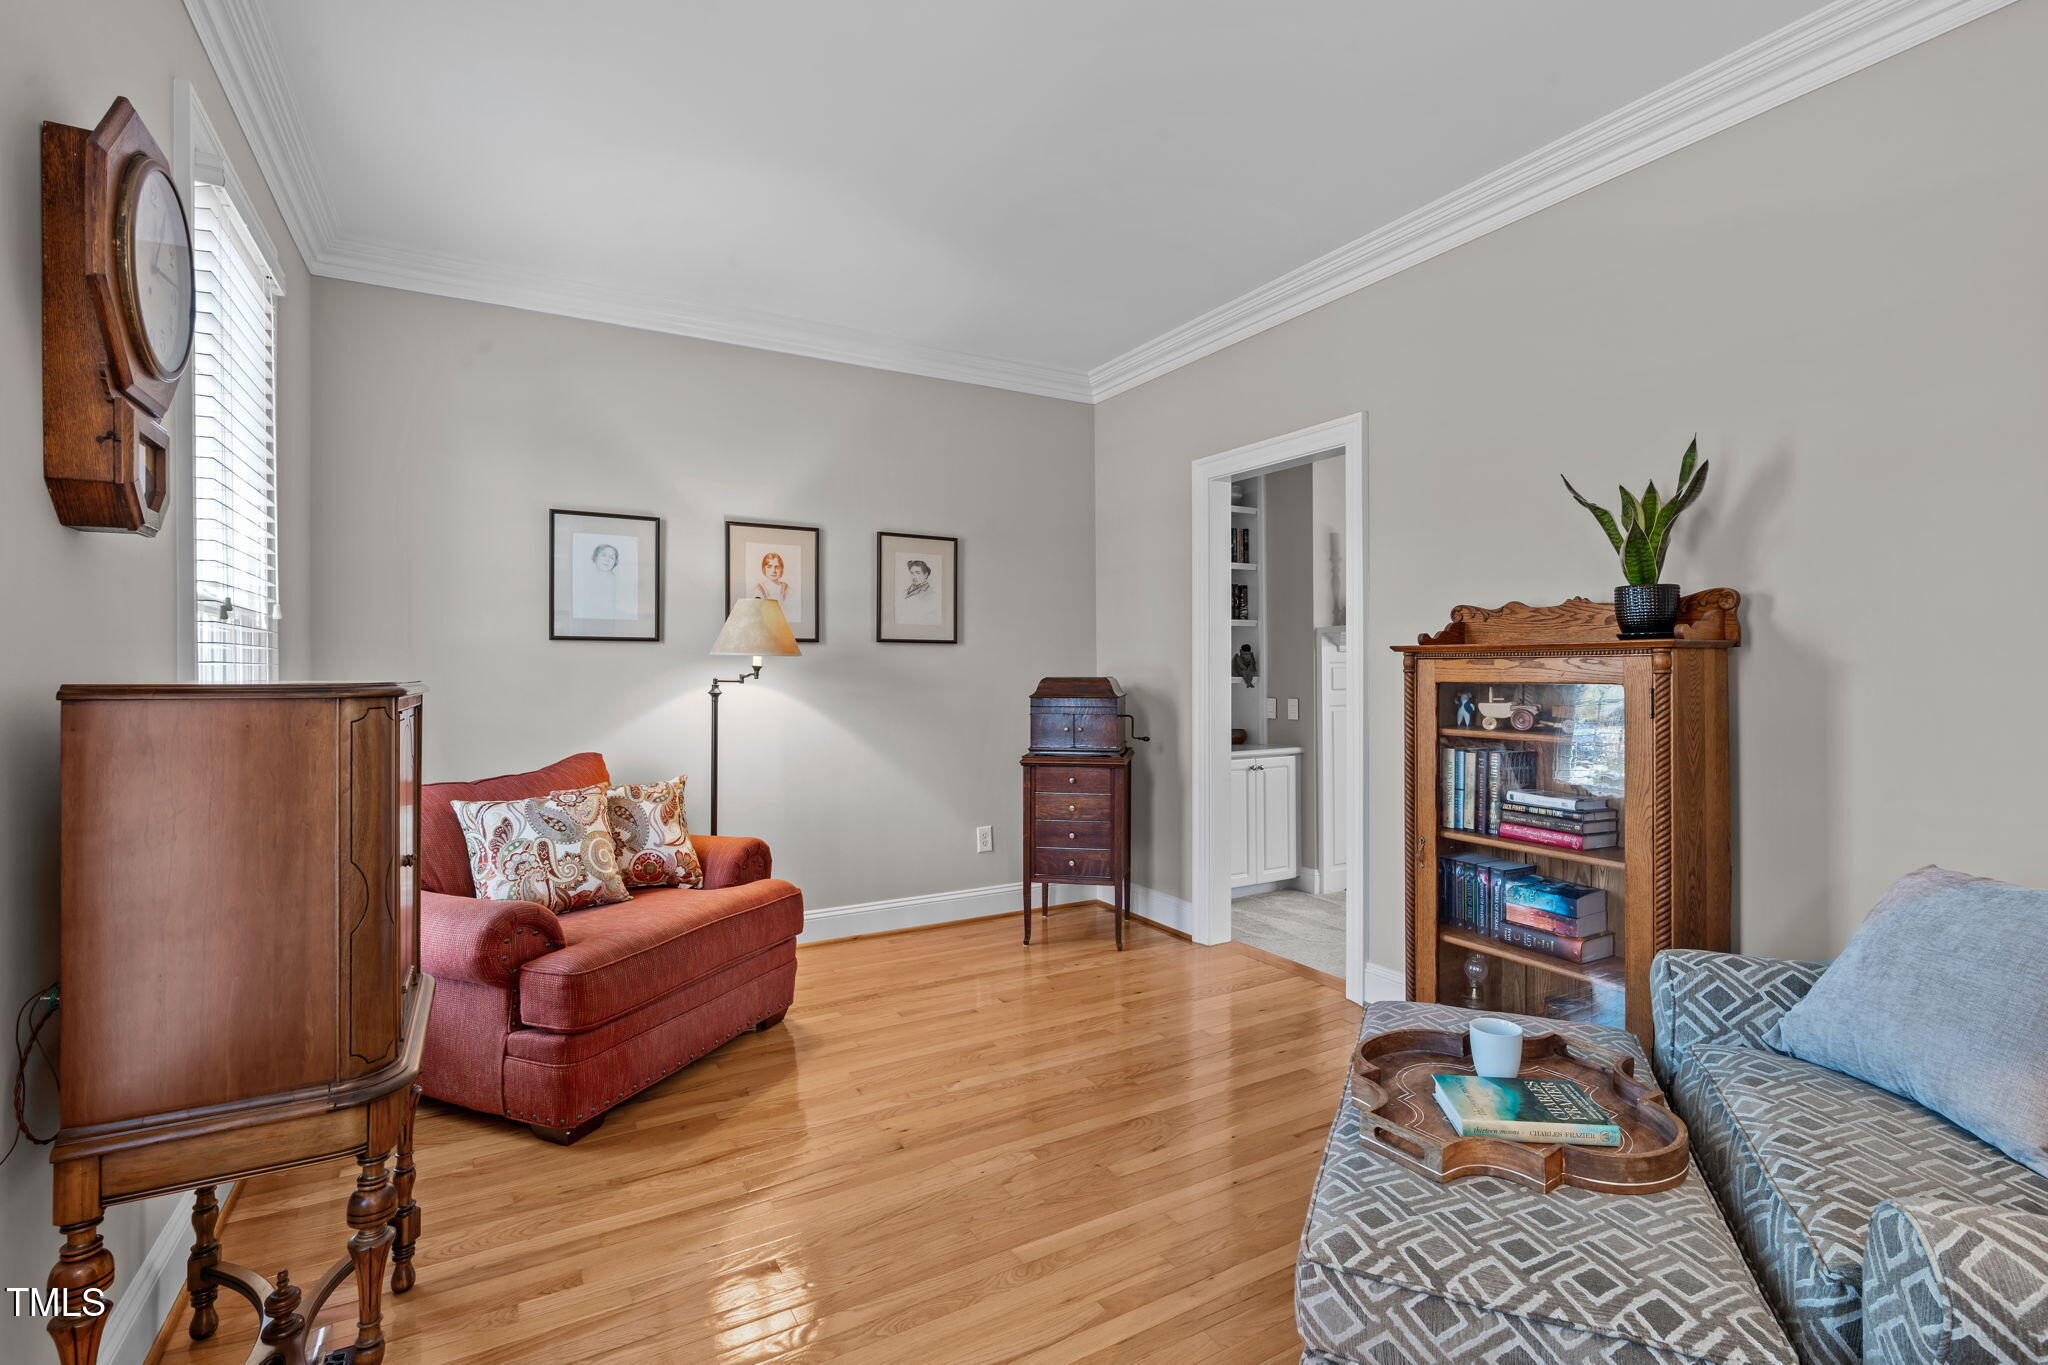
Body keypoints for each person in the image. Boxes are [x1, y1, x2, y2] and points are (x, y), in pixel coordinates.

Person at [574, 541, 630, 620]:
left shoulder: (619, 583)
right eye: (604, 555)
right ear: (595, 557)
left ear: (615, 562)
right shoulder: (585, 581)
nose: (607, 560)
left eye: (612, 557)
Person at [899, 558, 940, 625]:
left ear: (926, 574)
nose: (914, 576)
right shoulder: (906, 591)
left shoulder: (932, 595)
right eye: (912, 573)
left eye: (918, 573)